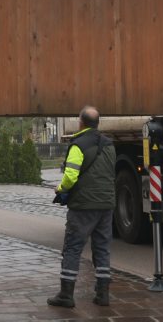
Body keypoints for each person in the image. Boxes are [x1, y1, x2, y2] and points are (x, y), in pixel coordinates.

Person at [48, 105, 116, 309]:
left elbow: (70, 176)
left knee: (73, 248)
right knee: (102, 248)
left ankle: (66, 295)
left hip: (83, 206)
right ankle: (103, 294)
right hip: (106, 205)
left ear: (81, 122)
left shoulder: (78, 145)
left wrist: (60, 189)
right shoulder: (109, 145)